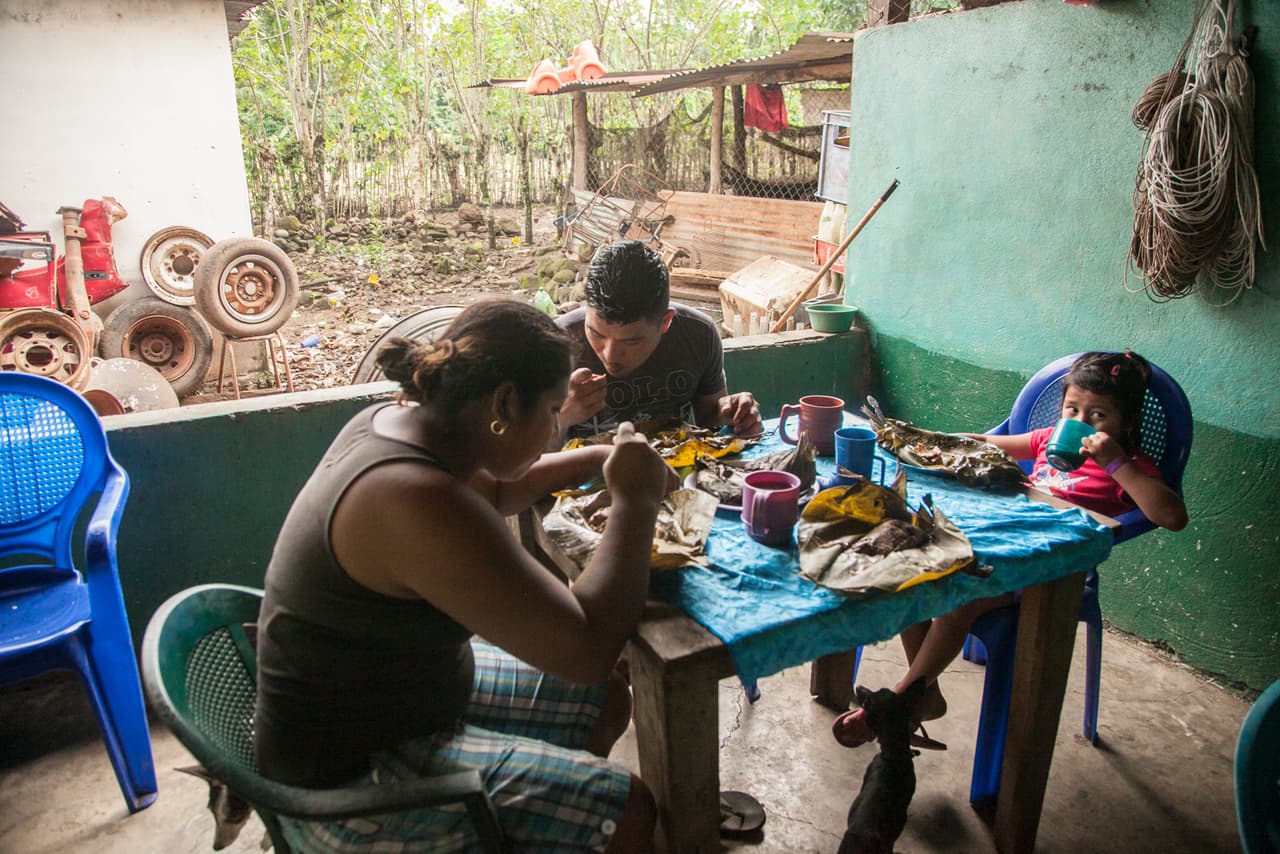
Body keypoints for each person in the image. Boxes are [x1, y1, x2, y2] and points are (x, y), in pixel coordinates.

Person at [255, 299, 674, 851]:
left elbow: (498, 489)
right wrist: (635, 500)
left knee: (605, 698)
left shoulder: (406, 423)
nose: (556, 426)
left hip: (406, 698)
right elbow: (590, 643)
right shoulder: (414, 499)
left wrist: (598, 457)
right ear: (502, 403)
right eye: (552, 411)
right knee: (626, 809)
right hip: (346, 778)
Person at [831, 350, 1188, 749]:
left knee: (958, 600)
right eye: (1072, 409)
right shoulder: (1046, 440)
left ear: (1127, 423)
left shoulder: (1127, 467)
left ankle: (899, 701)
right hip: (1004, 545)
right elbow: (987, 444)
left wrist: (1116, 462)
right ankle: (923, 695)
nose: (1079, 424)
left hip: (1049, 569)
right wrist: (930, 442)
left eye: (1098, 416)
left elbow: (1171, 515)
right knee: (907, 572)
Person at [555, 239, 762, 440]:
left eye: (631, 342)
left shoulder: (698, 335)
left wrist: (734, 413)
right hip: (583, 475)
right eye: (597, 334)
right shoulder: (556, 343)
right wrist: (561, 416)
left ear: (665, 322)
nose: (610, 356)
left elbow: (708, 418)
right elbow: (528, 461)